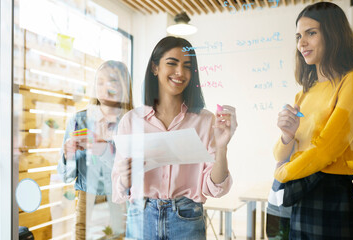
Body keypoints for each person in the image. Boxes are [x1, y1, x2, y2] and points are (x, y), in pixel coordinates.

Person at [111, 36, 237, 240]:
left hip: (186, 218)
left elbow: (214, 189)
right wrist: (125, 179)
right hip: (141, 216)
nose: (180, 72)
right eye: (172, 63)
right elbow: (118, 190)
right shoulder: (131, 121)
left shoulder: (205, 121)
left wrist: (222, 148)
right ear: (155, 67)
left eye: (187, 66)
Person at [273, 2, 353, 239]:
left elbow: (326, 150)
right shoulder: (304, 93)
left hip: (332, 197)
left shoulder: (352, 81)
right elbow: (280, 154)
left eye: (311, 33)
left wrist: (281, 174)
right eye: (299, 36)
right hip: (301, 194)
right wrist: (287, 135)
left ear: (333, 34)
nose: (302, 43)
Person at [58, 60, 133, 239]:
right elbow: (66, 175)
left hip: (121, 204)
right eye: (99, 82)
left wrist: (103, 148)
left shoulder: (133, 122)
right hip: (87, 202)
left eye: (112, 81)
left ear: (123, 86)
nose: (104, 87)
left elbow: (136, 173)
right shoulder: (78, 120)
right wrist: (68, 155)